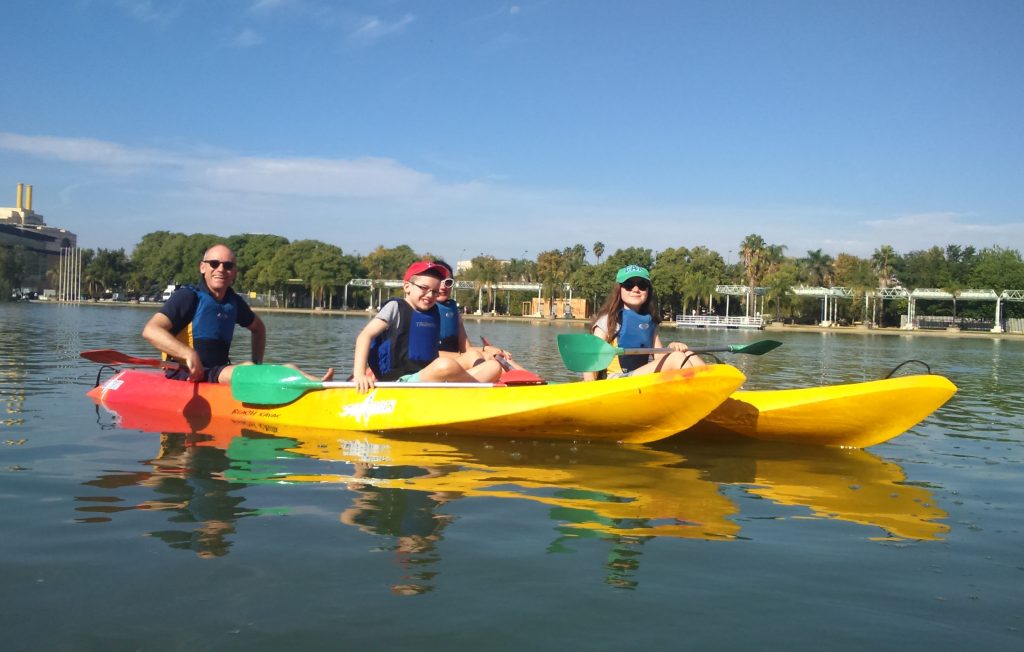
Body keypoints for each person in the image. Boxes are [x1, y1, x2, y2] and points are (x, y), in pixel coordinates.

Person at [143, 243, 330, 383]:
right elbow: (151, 330)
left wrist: (258, 364)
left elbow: (259, 328)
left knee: (289, 368)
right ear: (203, 267)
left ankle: (320, 385)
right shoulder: (187, 297)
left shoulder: (233, 302)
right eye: (214, 264)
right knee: (247, 369)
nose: (221, 270)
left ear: (234, 272)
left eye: (228, 265)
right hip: (185, 372)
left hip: (219, 371)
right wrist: (188, 354)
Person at [351, 261, 503, 393]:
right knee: (444, 364)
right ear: (407, 286)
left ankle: (460, 387)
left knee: (493, 367)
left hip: (428, 376)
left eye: (435, 291)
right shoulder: (395, 308)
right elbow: (365, 336)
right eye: (424, 288)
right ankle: (469, 388)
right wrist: (359, 375)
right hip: (400, 382)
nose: (430, 295)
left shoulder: (433, 312)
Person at [583, 264, 706, 381]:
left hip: (639, 377)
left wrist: (671, 347)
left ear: (648, 291)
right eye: (629, 284)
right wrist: (589, 384)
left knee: (688, 354)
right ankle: (698, 392)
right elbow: (591, 358)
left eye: (642, 285)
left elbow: (659, 357)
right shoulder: (608, 319)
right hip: (616, 380)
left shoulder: (650, 321)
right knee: (677, 358)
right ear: (619, 289)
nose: (636, 289)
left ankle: (714, 390)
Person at [432, 260, 514, 369]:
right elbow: (427, 355)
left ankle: (532, 380)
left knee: (500, 356)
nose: (443, 287)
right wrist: (476, 356)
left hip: (457, 363)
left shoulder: (453, 312)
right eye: (439, 281)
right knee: (487, 359)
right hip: (436, 367)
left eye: (448, 282)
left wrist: (487, 350)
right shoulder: (421, 311)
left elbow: (467, 349)